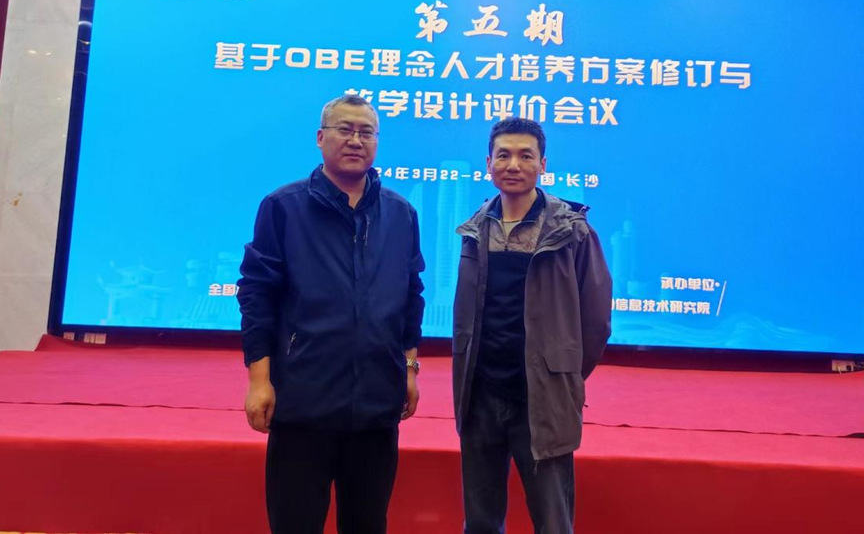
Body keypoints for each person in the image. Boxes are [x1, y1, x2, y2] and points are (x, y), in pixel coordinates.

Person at [237, 94, 426, 534]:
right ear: (321, 138)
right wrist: (259, 381)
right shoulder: (283, 206)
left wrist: (410, 368)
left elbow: (411, 294)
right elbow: (257, 295)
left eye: (366, 132)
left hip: (377, 404)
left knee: (367, 523)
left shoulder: (401, 213)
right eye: (345, 129)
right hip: (304, 400)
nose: (355, 140)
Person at [453, 117, 612, 534]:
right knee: (481, 522)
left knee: (552, 521)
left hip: (541, 397)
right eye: (503, 155)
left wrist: (560, 375)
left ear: (543, 164)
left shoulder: (571, 231)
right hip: (481, 393)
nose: (513, 165)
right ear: (488, 163)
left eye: (526, 156)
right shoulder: (475, 229)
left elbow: (596, 322)